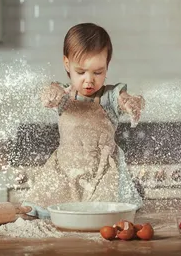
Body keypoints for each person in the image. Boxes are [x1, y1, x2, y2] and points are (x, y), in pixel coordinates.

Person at [22, 23, 145, 219]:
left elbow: (125, 99)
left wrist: (132, 102)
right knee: (49, 214)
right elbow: (51, 92)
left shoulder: (110, 96)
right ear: (66, 64)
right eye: (81, 72)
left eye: (98, 72)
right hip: (65, 168)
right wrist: (50, 94)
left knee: (103, 215)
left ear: (107, 65)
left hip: (103, 172)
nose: (89, 80)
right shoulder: (63, 93)